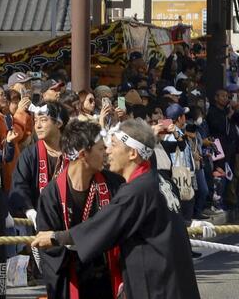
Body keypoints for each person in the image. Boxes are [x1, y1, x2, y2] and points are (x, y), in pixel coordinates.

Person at [31, 118, 202, 299]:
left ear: (132, 153)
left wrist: (56, 237)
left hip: (156, 285)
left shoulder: (135, 190)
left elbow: (104, 225)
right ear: (82, 155)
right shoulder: (160, 181)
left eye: (113, 145)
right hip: (172, 282)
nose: (108, 151)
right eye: (103, 147)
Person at [35, 120, 125, 299]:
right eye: (100, 149)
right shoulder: (52, 194)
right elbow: (48, 248)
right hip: (73, 280)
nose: (106, 152)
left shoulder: (114, 184)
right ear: (83, 154)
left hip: (108, 278)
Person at [11, 101, 69, 226]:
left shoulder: (75, 153)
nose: (37, 126)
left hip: (71, 222)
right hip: (38, 223)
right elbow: (19, 185)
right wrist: (29, 210)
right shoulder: (30, 154)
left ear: (59, 123)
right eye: (35, 120)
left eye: (43, 120)